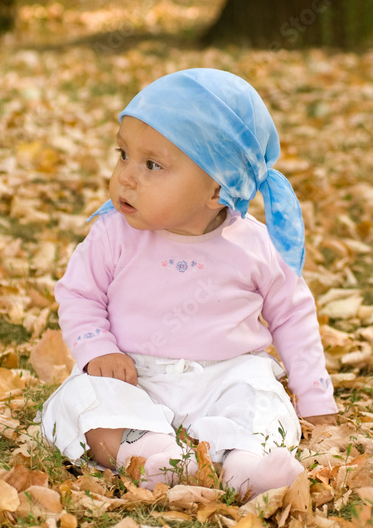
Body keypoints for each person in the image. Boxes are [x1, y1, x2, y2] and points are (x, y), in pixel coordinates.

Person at [40, 68, 337, 499]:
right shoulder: (113, 234)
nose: (126, 176)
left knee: (260, 397)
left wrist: (314, 400)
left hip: (224, 373)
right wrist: (98, 349)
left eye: (152, 164)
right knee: (85, 400)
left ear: (217, 189)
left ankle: (246, 463)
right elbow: (80, 293)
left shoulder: (255, 245)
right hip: (133, 373)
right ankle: (149, 456)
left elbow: (293, 317)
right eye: (122, 154)